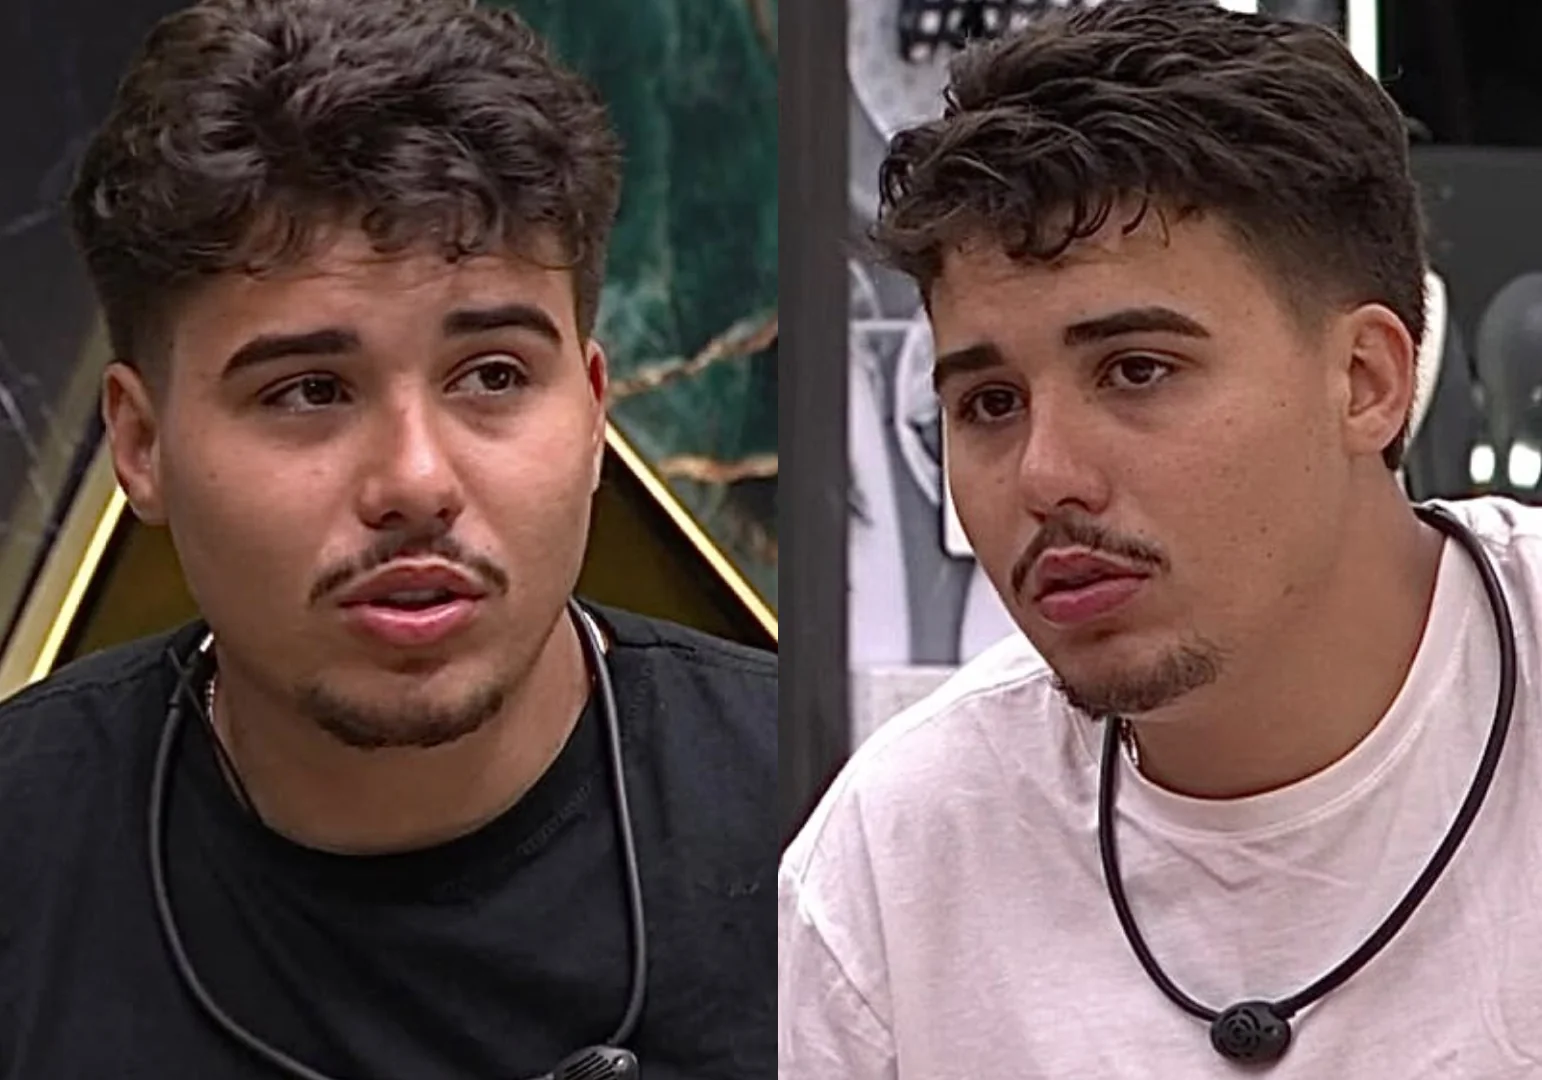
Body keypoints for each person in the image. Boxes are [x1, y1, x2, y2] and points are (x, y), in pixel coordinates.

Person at [0, 1, 776, 1077]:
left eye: (493, 376)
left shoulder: (821, 818)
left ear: (595, 411)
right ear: (141, 443)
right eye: (309, 390)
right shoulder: (27, 844)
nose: (416, 483)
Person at [780, 3, 1542, 1078]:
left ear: (1365, 381)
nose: (1046, 476)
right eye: (990, 403)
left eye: (1137, 371)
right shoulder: (896, 862)